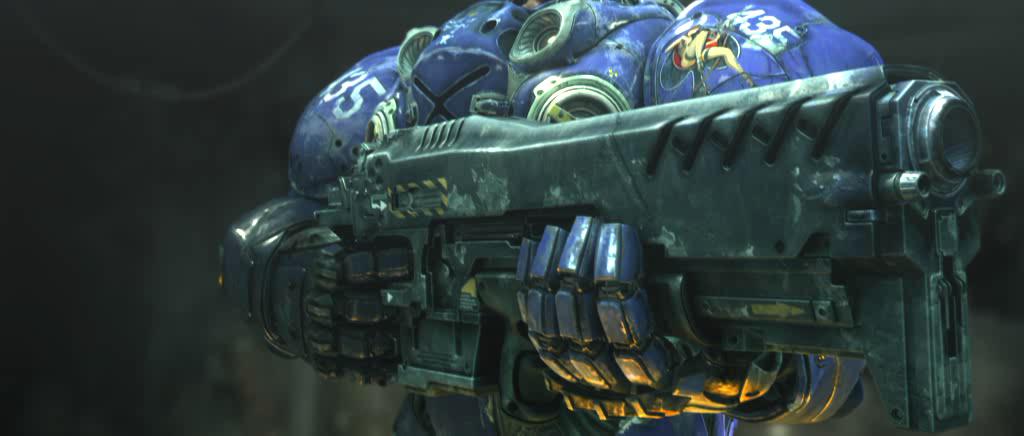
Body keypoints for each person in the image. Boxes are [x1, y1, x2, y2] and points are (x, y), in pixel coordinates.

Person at [221, 1, 883, 434]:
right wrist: (300, 280)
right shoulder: (435, 71)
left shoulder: (714, 55)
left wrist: (730, 370)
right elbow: (275, 235)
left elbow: (837, 341)